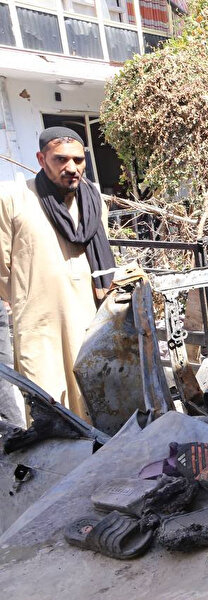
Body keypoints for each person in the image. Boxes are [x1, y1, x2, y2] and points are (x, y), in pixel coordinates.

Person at [0, 127, 115, 420]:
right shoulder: (14, 198)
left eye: (78, 160)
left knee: (94, 397)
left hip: (91, 317)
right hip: (40, 324)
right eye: (60, 159)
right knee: (48, 402)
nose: (71, 168)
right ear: (41, 158)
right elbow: (1, 268)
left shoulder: (93, 202)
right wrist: (28, 295)